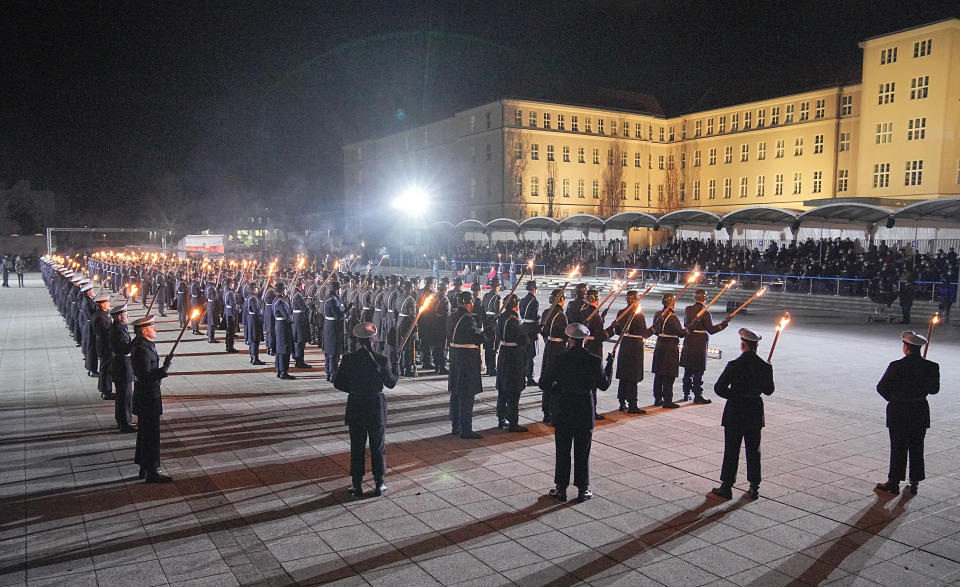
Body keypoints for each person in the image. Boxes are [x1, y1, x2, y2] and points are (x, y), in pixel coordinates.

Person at [541, 323, 613, 503]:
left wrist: (557, 391)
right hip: (584, 409)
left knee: (563, 450)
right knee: (583, 451)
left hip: (564, 408)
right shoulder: (594, 360)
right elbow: (604, 385)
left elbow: (544, 383)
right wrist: (610, 365)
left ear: (569, 339)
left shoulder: (559, 359)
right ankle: (583, 489)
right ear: (585, 340)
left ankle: (561, 489)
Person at [334, 322, 400, 498]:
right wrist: (396, 366)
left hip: (356, 404)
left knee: (357, 446)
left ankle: (357, 484)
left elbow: (338, 383)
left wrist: (355, 390)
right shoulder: (381, 359)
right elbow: (391, 383)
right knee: (377, 446)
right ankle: (379, 483)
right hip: (376, 405)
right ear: (373, 339)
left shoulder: (348, 359)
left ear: (357, 340)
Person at [711, 328, 775, 500]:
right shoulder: (764, 366)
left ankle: (727, 486)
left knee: (731, 449)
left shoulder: (734, 365)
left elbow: (719, 388)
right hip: (754, 411)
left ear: (742, 345)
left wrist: (735, 397)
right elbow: (769, 391)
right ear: (757, 345)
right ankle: (754, 486)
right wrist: (768, 371)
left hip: (736, 411)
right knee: (754, 450)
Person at [875, 331, 940, 496]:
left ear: (906, 348)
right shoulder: (931, 366)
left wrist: (895, 399)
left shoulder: (896, 365)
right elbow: (934, 390)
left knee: (898, 447)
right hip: (919, 409)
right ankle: (914, 482)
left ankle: (894, 482)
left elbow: (881, 387)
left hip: (899, 410)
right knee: (917, 446)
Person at [131, 315, 174, 483]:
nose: (155, 329)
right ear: (143, 331)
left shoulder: (143, 344)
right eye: (152, 327)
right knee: (151, 436)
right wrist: (163, 370)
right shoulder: (141, 349)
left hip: (147, 395)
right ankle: (152, 471)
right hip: (148, 396)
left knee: (145, 434)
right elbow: (144, 375)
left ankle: (144, 466)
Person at [606, 290, 654, 414]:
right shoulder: (638, 315)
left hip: (625, 344)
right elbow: (644, 333)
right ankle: (632, 404)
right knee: (633, 376)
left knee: (624, 375)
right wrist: (655, 328)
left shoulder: (621, 313)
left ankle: (622, 402)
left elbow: (617, 331)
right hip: (634, 346)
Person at [447, 291, 485, 439]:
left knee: (456, 394)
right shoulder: (468, 320)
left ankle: (455, 426)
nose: (472, 305)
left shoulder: (452, 317)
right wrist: (487, 333)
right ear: (467, 303)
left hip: (456, 357)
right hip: (466, 360)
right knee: (467, 395)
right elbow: (476, 339)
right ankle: (466, 429)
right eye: (471, 303)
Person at [680, 289, 729, 404]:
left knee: (688, 370)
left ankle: (686, 393)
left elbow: (686, 325)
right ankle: (698, 395)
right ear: (705, 298)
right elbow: (711, 330)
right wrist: (724, 324)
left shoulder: (688, 309)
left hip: (689, 341)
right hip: (699, 343)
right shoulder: (705, 313)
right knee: (698, 370)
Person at [495, 294, 529, 432]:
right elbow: (522, 339)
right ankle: (513, 422)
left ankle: (501, 418)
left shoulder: (502, 318)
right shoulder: (514, 320)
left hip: (503, 352)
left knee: (503, 389)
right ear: (515, 305)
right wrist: (530, 335)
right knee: (514, 390)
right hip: (513, 356)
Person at [651, 294, 686, 408]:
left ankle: (657, 398)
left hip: (659, 344)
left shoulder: (657, 314)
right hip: (670, 347)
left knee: (659, 374)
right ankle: (667, 400)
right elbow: (681, 333)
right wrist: (690, 327)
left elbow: (655, 330)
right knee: (668, 375)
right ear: (672, 303)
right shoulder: (672, 317)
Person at [538, 288, 568, 424]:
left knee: (547, 378)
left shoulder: (546, 312)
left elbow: (542, 331)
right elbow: (565, 335)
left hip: (549, 346)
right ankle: (553, 412)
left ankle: (546, 412)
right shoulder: (561, 316)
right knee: (555, 380)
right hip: (558, 349)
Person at [108, 304, 136, 432]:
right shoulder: (118, 330)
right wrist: (137, 340)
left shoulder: (119, 327)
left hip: (120, 364)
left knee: (121, 396)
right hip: (123, 365)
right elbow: (125, 348)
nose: (128, 316)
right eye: (125, 314)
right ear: (119, 317)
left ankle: (121, 420)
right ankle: (126, 424)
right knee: (125, 396)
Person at [323, 281, 345, 381]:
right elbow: (338, 315)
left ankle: (328, 371)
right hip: (333, 327)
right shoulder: (332, 300)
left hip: (328, 325)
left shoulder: (328, 297)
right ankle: (333, 373)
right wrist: (345, 313)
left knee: (328, 351)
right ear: (337, 290)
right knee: (333, 351)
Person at [518, 280, 540, 386]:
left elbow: (522, 315)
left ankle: (522, 376)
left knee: (523, 354)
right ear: (534, 289)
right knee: (531, 354)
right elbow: (535, 317)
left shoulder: (522, 300)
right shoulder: (534, 302)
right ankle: (530, 377)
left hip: (524, 327)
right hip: (531, 329)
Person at [272, 282, 295, 379]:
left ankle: (279, 369)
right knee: (284, 349)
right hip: (283, 326)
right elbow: (287, 316)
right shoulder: (281, 301)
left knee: (280, 348)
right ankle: (283, 371)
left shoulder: (277, 299)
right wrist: (293, 317)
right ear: (282, 290)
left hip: (280, 325)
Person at [481, 277, 501, 376]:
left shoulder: (485, 296)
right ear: (497, 287)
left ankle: (489, 368)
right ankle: (492, 369)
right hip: (494, 324)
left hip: (486, 323)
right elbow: (498, 312)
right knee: (493, 348)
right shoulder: (497, 297)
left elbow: (483, 310)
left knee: (488, 347)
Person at [242, 283, 266, 365]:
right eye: (256, 288)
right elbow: (256, 310)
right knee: (255, 339)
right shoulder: (253, 298)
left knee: (253, 338)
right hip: (254, 319)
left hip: (251, 319)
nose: (257, 289)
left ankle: (252, 356)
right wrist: (262, 309)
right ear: (253, 289)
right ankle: (255, 357)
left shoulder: (250, 297)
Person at [222, 278, 239, 353]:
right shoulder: (230, 293)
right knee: (231, 330)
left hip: (227, 311)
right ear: (230, 284)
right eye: (232, 283)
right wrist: (238, 307)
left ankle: (228, 345)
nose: (233, 284)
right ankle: (230, 346)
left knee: (229, 330)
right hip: (231, 312)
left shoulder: (226, 291)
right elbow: (233, 304)